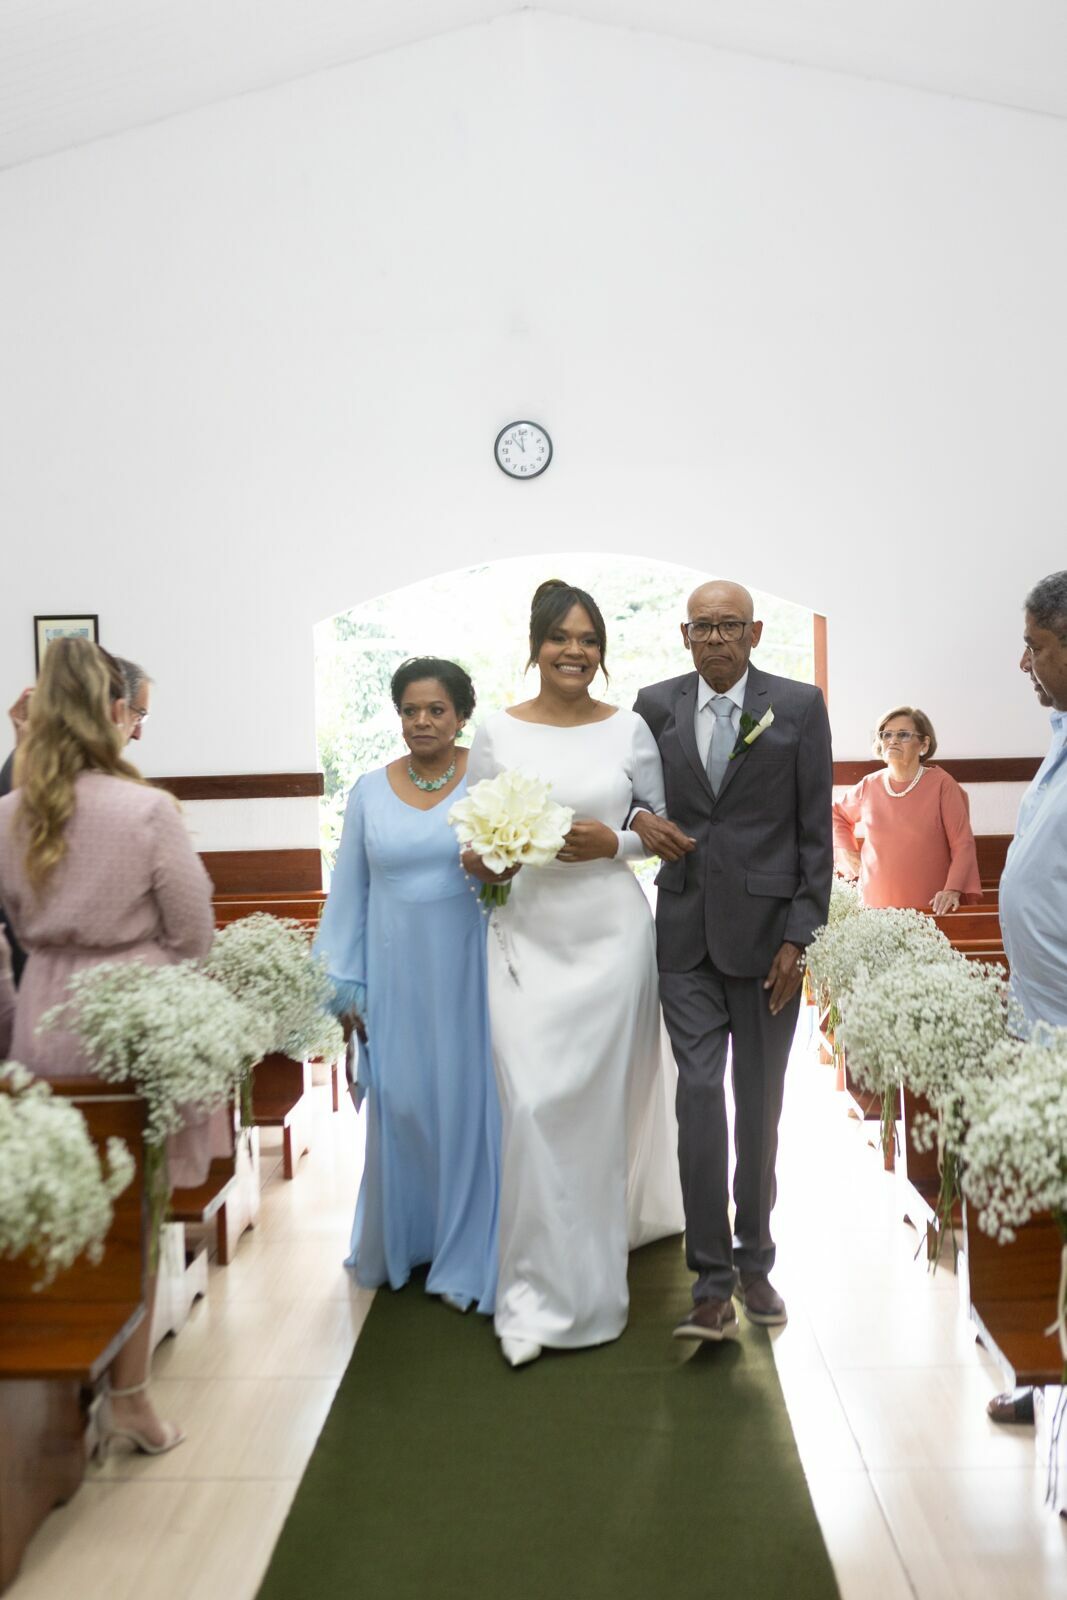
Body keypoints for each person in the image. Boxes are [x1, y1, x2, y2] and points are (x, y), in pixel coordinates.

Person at [0, 637, 215, 1455]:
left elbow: (12, 931)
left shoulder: (10, 812)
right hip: (131, 1017)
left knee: (62, 1208)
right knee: (135, 1213)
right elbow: (193, 931)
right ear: (113, 713)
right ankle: (129, 1398)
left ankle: (61, 1380)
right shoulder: (146, 810)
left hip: (43, 1016)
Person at [465, 580, 684, 1368]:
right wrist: (483, 857)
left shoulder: (629, 729)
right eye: (560, 636)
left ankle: (591, 1284)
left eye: (589, 639)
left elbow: (661, 831)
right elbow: (472, 841)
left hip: (609, 940)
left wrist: (614, 845)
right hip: (523, 936)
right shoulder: (494, 730)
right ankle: (532, 1287)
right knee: (530, 1105)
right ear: (535, 644)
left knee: (592, 1113)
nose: (575, 651)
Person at [631, 579, 833, 1342]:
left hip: (767, 944)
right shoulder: (654, 705)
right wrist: (642, 819)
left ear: (752, 633)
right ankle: (709, 1281)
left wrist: (799, 937)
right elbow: (627, 793)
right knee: (697, 1095)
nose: (714, 639)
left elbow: (815, 831)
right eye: (700, 627)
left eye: (727, 626)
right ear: (684, 637)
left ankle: (755, 1261)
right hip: (683, 935)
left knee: (759, 1105)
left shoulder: (798, 706)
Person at [314, 657, 500, 1314]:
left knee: (466, 1099)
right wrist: (347, 987)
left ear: (460, 716)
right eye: (410, 710)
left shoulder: (486, 785)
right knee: (405, 1102)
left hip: (466, 970)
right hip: (393, 975)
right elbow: (349, 895)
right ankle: (406, 1241)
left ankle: (469, 1241)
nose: (421, 722)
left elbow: (508, 877)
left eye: (436, 710)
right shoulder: (367, 790)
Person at [986, 574, 1067, 1427]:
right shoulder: (1058, 734)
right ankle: (1052, 1371)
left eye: (1036, 645)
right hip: (1039, 1023)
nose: (1022, 661)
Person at [832, 706, 982, 912]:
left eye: (903, 735)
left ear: (924, 744)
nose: (892, 740)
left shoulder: (942, 785)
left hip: (931, 907)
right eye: (886, 734)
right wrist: (848, 852)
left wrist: (952, 890)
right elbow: (836, 813)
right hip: (874, 905)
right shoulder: (869, 785)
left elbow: (962, 843)